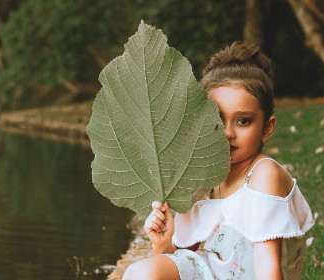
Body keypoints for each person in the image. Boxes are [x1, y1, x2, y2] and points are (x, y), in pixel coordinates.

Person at [123, 42, 314, 280]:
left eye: (243, 121)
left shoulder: (264, 175)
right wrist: (163, 244)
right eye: (215, 119)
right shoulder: (202, 180)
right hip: (209, 273)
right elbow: (184, 260)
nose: (227, 132)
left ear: (267, 128)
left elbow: (267, 263)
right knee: (141, 272)